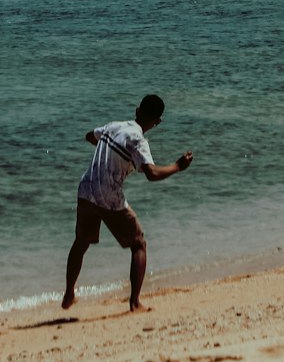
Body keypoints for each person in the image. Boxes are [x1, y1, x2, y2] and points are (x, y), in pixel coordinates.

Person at [62, 94, 194, 312]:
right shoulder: (138, 141)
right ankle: (135, 302)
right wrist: (178, 166)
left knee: (81, 242)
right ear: (157, 122)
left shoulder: (114, 126)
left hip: (86, 189)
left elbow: (89, 136)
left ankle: (68, 294)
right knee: (138, 244)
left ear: (136, 110)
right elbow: (151, 173)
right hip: (109, 197)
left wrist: (106, 146)